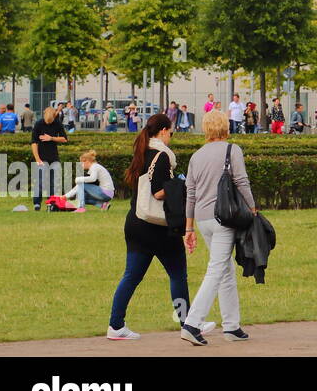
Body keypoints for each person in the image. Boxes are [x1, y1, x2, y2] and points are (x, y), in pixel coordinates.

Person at [107, 114, 198, 341]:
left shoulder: (142, 152)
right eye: (171, 132)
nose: (171, 137)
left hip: (135, 223)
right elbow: (159, 192)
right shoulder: (162, 155)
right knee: (177, 275)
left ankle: (115, 325)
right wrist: (181, 182)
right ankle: (186, 322)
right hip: (157, 226)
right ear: (164, 131)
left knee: (131, 276)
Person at [181, 109, 257, 345]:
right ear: (225, 126)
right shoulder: (231, 150)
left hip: (203, 220)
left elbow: (190, 194)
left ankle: (232, 326)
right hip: (224, 217)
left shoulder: (197, 155)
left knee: (224, 270)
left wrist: (189, 228)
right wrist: (253, 209)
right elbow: (241, 181)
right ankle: (192, 323)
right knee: (216, 269)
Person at [31, 105, 68, 208]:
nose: (48, 123)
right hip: (41, 158)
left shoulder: (57, 123)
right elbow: (34, 143)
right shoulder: (38, 124)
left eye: (50, 121)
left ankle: (51, 202)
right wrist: (37, 159)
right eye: (47, 122)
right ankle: (37, 203)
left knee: (54, 182)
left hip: (54, 158)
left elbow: (64, 139)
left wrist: (51, 138)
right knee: (40, 181)